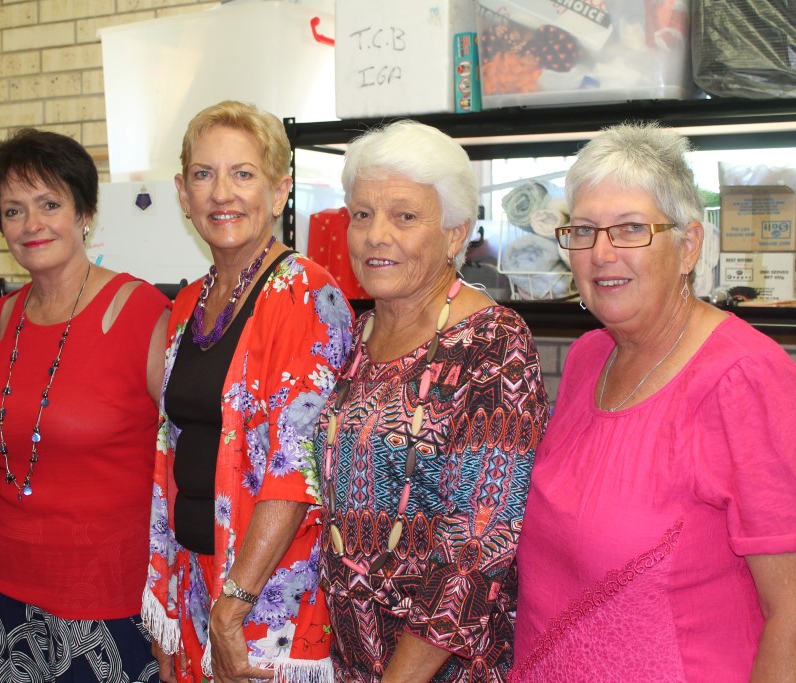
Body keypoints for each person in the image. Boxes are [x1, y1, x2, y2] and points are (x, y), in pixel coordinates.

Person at [512, 123, 796, 682]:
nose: (601, 253)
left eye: (631, 229)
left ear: (688, 245)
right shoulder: (591, 358)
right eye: (584, 230)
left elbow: (791, 608)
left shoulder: (744, 377)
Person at [315, 120, 550, 683]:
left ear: (454, 235)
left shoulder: (493, 343)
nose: (375, 235)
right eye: (362, 214)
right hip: (351, 659)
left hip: (441, 669)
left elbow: (480, 540)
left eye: (405, 216)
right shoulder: (359, 334)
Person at [144, 100, 353, 683]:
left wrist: (232, 607)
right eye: (204, 176)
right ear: (183, 194)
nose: (221, 194)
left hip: (261, 602)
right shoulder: (189, 303)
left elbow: (298, 466)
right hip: (195, 582)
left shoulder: (308, 293)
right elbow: (173, 452)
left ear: (280, 189)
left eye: (243, 174)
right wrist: (171, 599)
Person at [0, 129, 170, 683]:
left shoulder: (140, 310)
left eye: (49, 204)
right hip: (0, 590)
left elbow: (179, 459)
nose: (32, 225)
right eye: (13, 210)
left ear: (85, 211)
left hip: (107, 600)